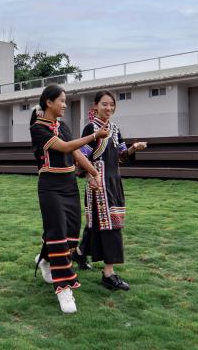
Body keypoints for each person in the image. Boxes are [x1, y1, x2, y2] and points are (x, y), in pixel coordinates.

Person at [30, 84, 109, 314]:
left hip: (69, 186)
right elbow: (65, 147)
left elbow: (75, 154)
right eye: (62, 101)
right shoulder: (38, 128)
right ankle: (63, 288)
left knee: (70, 235)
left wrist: (93, 173)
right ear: (49, 102)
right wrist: (93, 136)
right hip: (50, 188)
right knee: (57, 234)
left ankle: (44, 259)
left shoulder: (62, 126)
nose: (65, 105)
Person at [78, 90, 147, 291]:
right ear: (95, 106)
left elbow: (122, 156)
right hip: (98, 183)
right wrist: (91, 177)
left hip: (114, 181)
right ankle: (109, 274)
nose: (109, 108)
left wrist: (134, 148)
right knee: (111, 225)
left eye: (112, 104)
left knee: (96, 223)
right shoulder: (91, 128)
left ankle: (79, 254)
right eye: (104, 104)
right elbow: (81, 157)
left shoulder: (115, 129)